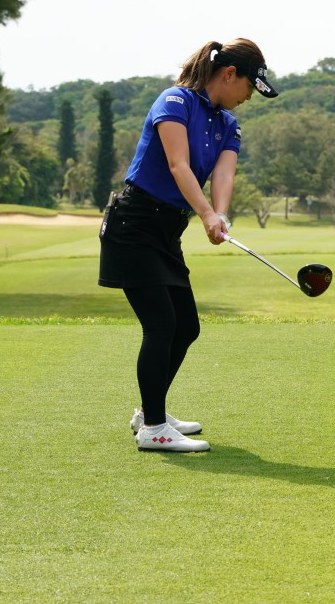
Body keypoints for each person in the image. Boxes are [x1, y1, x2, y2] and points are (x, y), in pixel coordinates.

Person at [98, 39, 278, 452]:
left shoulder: (228, 124)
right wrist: (205, 215)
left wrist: (221, 213)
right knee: (161, 324)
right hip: (134, 224)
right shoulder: (175, 101)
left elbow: (223, 175)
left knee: (186, 326)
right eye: (250, 86)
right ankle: (154, 430)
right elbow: (179, 164)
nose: (249, 96)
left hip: (165, 232)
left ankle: (149, 411)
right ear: (229, 74)